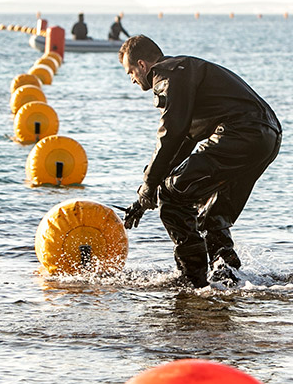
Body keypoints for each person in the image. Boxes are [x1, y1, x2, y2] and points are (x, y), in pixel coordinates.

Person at [119, 35, 282, 288]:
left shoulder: (166, 76)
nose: (131, 79)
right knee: (212, 214)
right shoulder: (186, 69)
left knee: (172, 196)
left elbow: (171, 134)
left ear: (142, 65)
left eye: (130, 72)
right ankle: (227, 278)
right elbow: (183, 143)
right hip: (266, 138)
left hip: (239, 133)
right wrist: (143, 195)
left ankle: (192, 280)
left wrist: (151, 186)